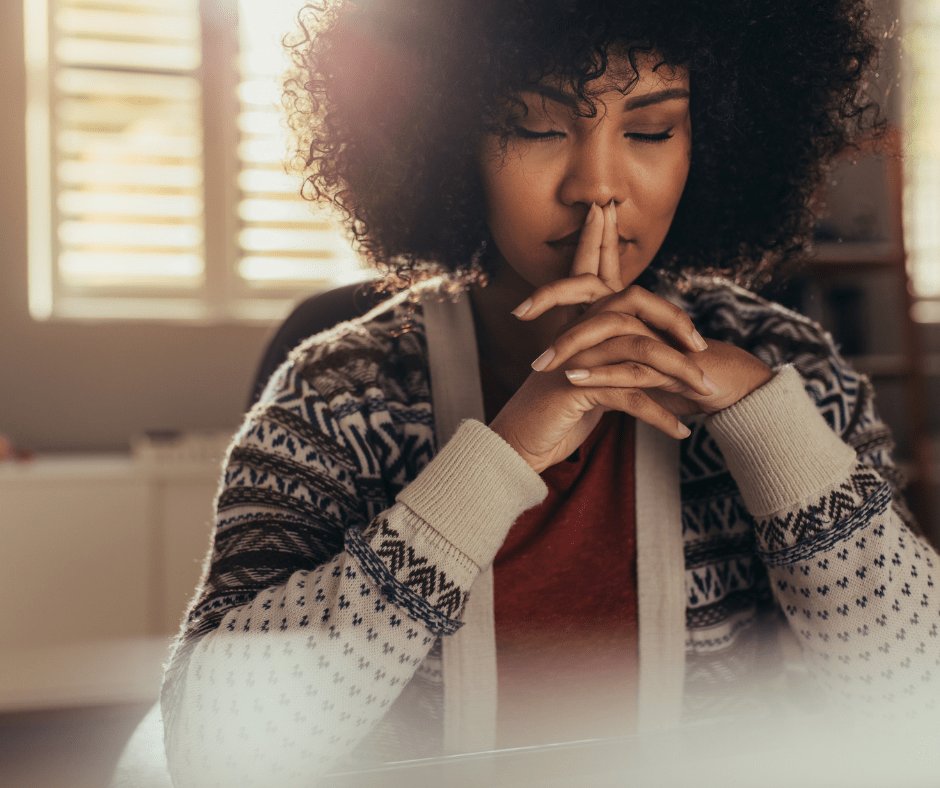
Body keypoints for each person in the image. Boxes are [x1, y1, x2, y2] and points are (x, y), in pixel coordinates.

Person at [161, 1, 938, 785]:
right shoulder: (340, 396)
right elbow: (212, 751)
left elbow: (920, 711)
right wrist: (501, 459)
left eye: (650, 131)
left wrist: (769, 427)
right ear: (447, 136)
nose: (597, 187)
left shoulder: (786, 366)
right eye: (535, 128)